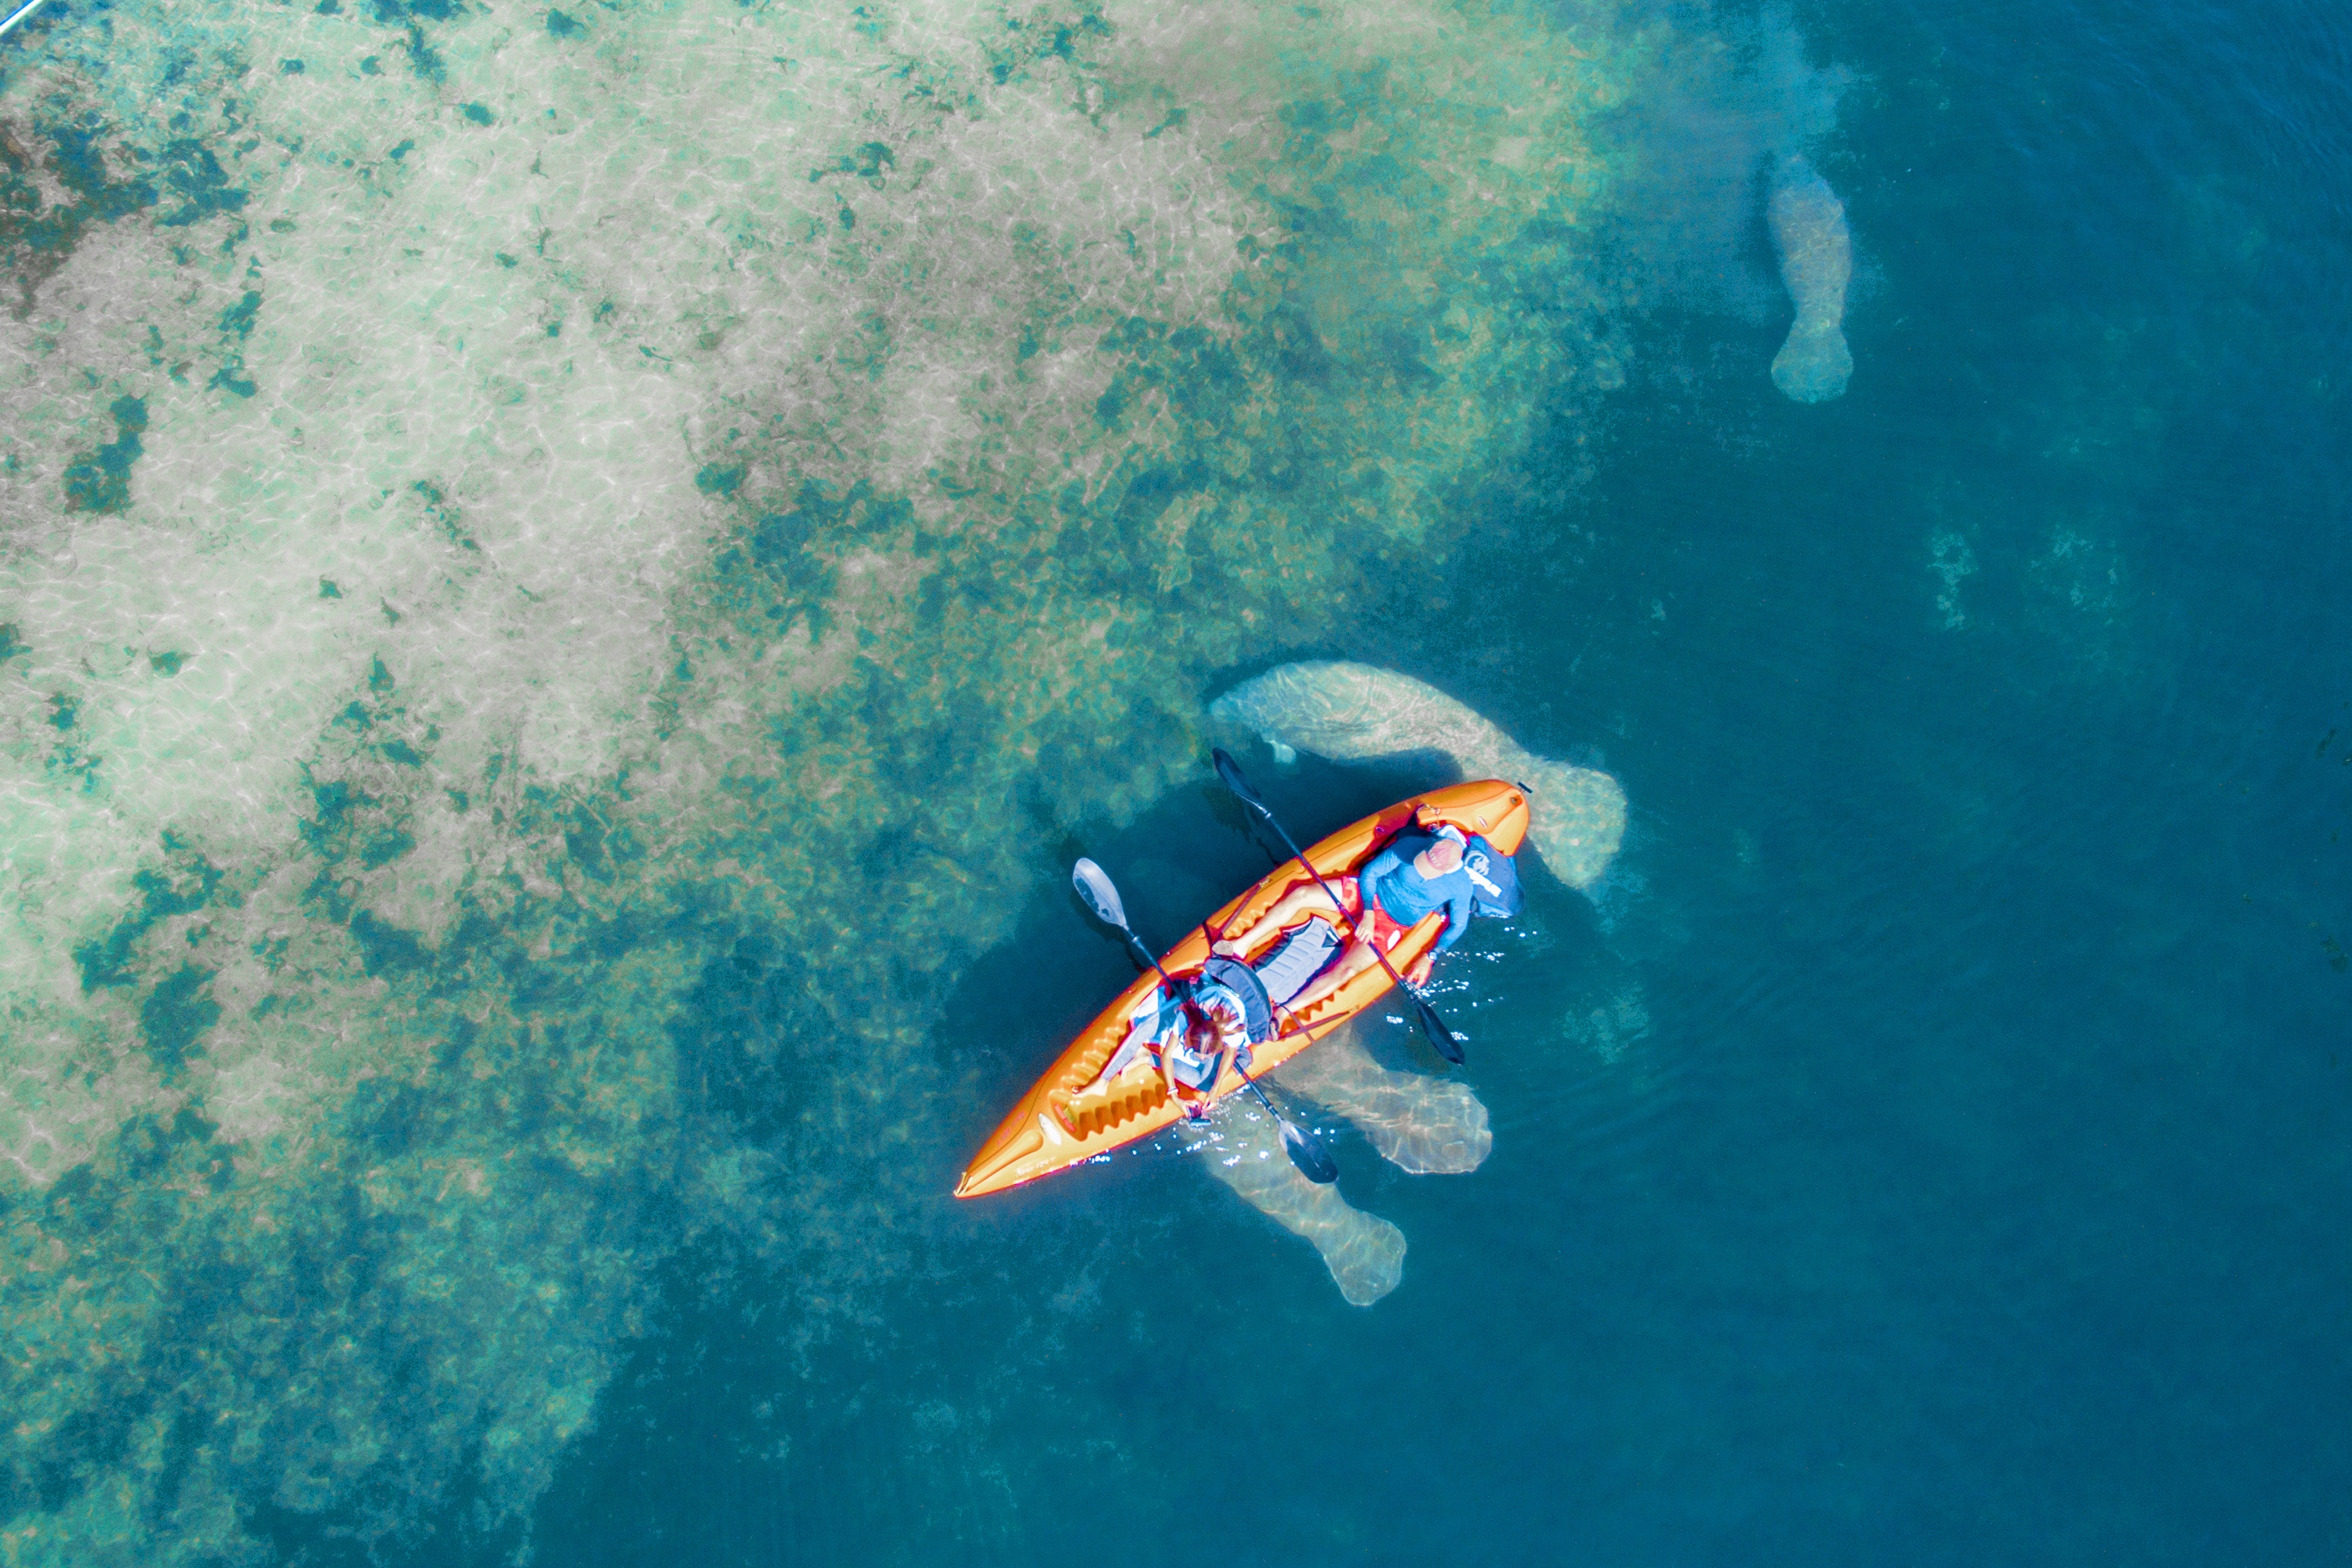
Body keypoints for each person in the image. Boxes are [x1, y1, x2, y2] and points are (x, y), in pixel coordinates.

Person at [1210, 815, 1481, 1018]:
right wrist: (1368, 913)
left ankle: (1284, 1011)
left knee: (1347, 970)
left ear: (1450, 868)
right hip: (1369, 897)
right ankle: (1241, 945)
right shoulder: (1412, 846)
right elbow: (1371, 874)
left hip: (1393, 925)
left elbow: (1458, 925)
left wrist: (1430, 956)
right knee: (1302, 895)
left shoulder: (1460, 885)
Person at [1079, 973, 1250, 1119]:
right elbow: (1167, 1054)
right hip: (1197, 993)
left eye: (1206, 1055)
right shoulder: (1188, 1011)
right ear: (1189, 1029)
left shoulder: (1234, 1029)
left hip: (1224, 1003)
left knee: (1206, 1084)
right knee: (1145, 1028)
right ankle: (1102, 1082)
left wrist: (1215, 1089)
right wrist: (1174, 1094)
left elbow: (1229, 1053)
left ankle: (1147, 1057)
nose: (1201, 1057)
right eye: (1192, 1049)